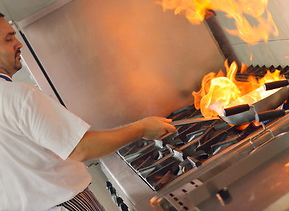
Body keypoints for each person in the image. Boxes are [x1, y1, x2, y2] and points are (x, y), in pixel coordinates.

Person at [0, 12, 176, 211]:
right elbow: (81, 149)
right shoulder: (19, 97)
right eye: (8, 39)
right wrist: (142, 128)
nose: (19, 44)